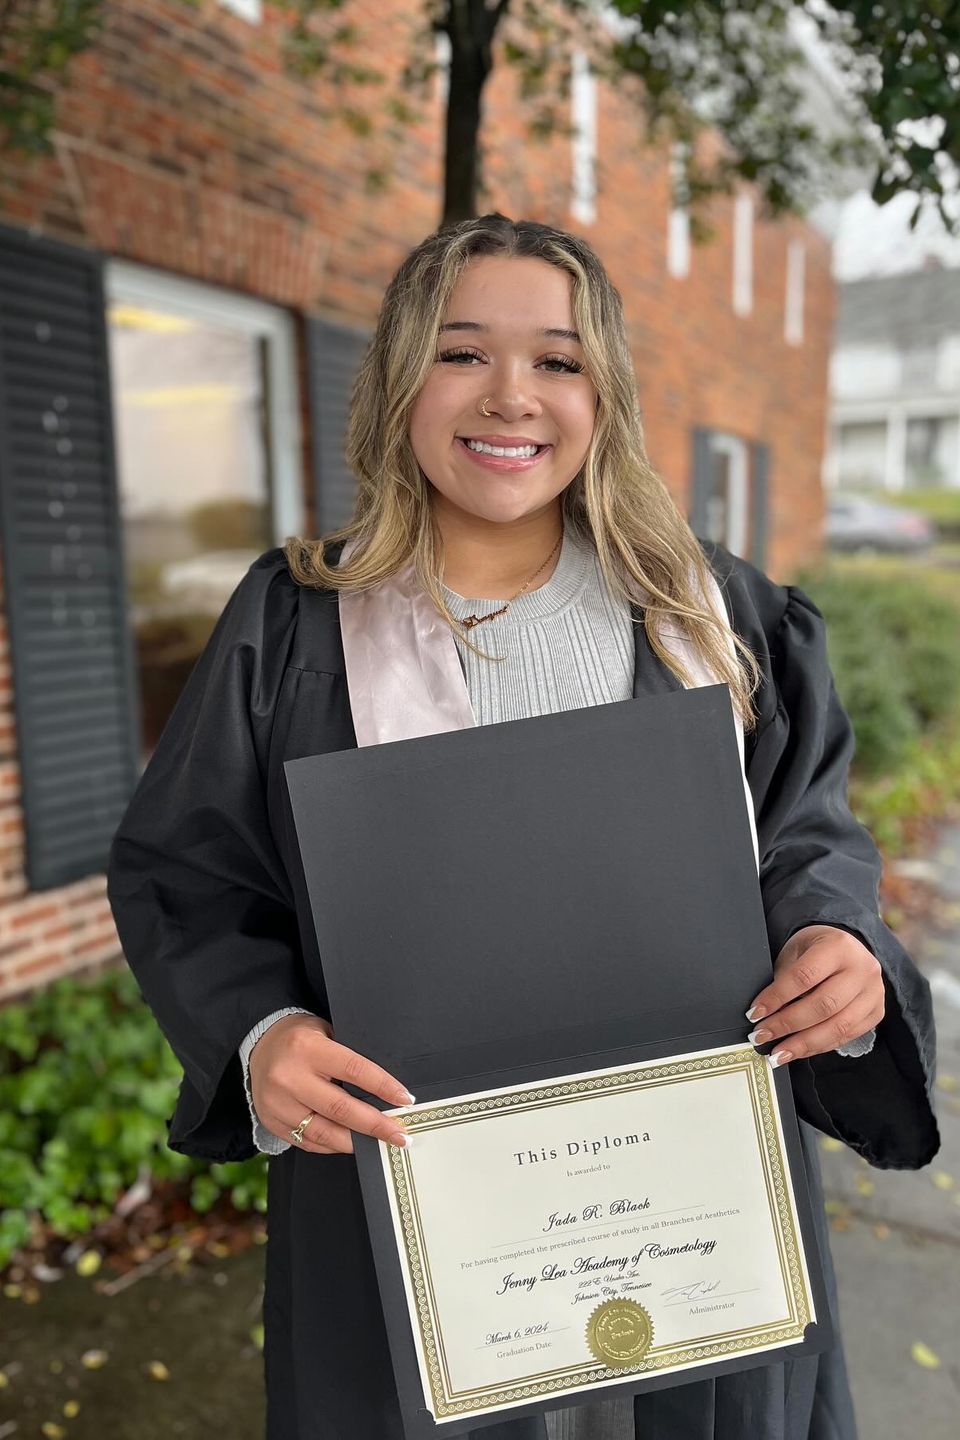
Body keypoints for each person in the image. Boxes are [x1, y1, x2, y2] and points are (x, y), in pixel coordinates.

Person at [107, 214, 938, 1440]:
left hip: (693, 1185)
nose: (512, 396)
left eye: (558, 359)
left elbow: (807, 832)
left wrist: (838, 942)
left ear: (606, 391)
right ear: (400, 379)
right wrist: (261, 1030)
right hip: (412, 1188)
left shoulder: (715, 614)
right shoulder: (298, 624)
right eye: (461, 353)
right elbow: (191, 874)